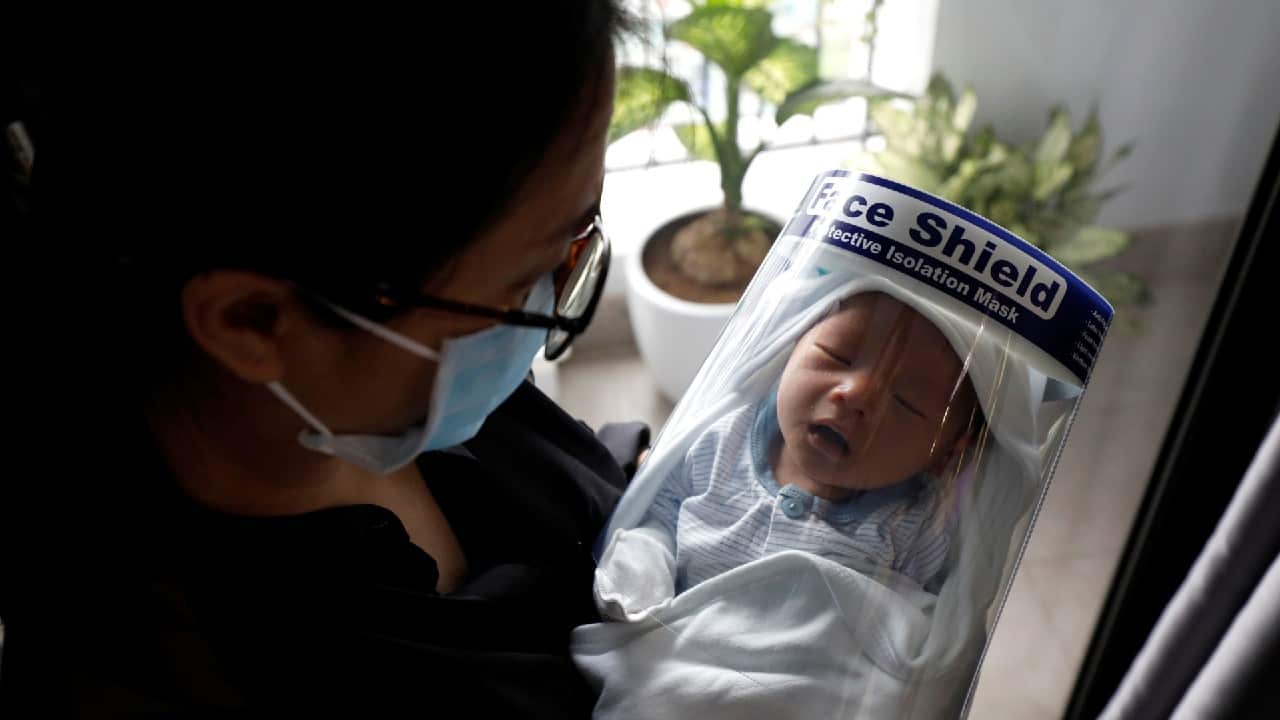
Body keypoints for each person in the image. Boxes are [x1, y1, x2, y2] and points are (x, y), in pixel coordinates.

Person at [0, 4, 642, 716]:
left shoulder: (386, 371)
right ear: (252, 321)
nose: (556, 289)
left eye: (580, 241)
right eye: (530, 276)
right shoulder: (216, 665)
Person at [595, 291, 982, 619]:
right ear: (791, 347)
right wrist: (641, 572)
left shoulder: (915, 522)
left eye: (905, 402)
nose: (854, 395)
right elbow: (662, 513)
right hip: (670, 651)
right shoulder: (725, 436)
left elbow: (922, 626)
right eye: (837, 356)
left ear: (945, 454)